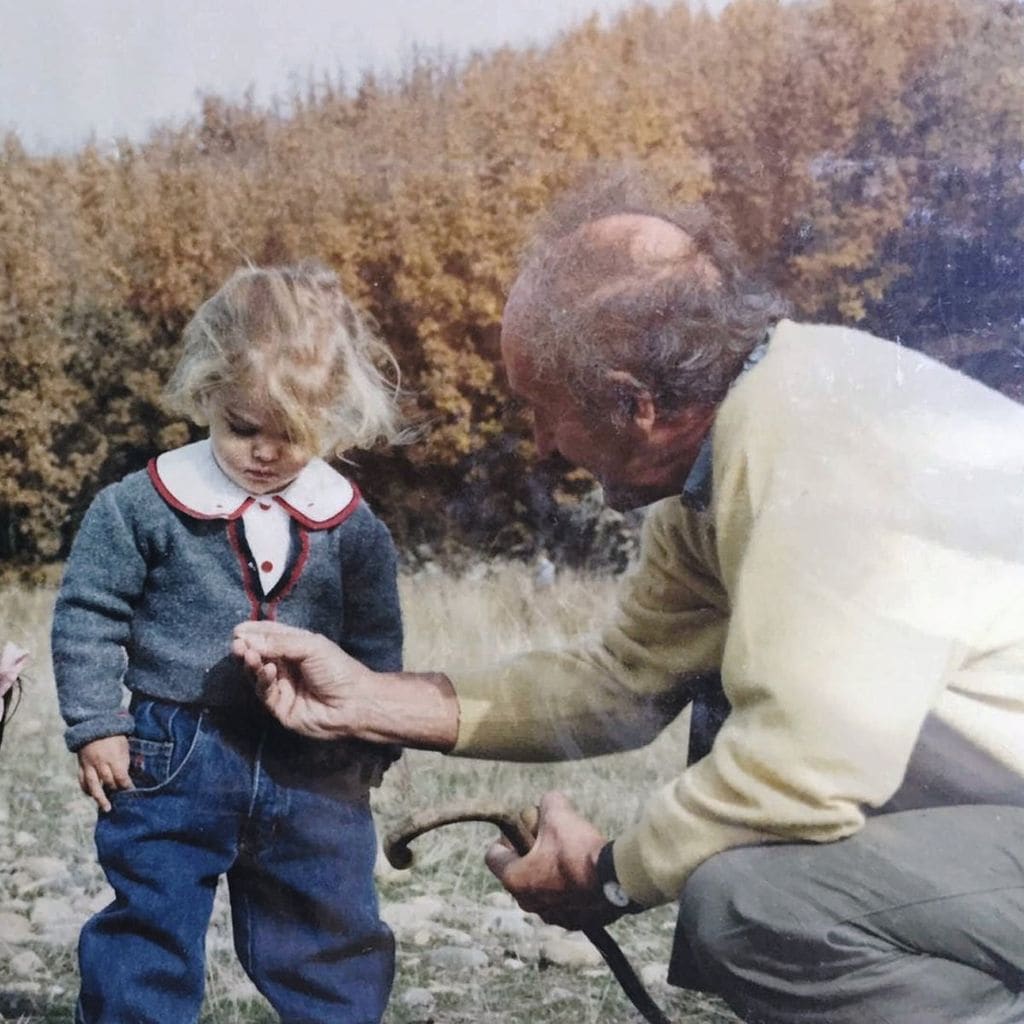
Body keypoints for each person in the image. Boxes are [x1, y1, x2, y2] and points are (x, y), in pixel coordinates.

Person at [232, 178, 1024, 1024]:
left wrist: (609, 875)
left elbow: (802, 770)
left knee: (749, 902)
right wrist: (367, 698)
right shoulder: (755, 427)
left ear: (634, 403)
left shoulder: (816, 450)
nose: (539, 444)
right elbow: (619, 683)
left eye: (542, 409)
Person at [52, 263, 404, 1024]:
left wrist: (374, 733)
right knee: (150, 918)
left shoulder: (350, 523)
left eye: (292, 434)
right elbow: (88, 610)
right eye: (244, 428)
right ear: (208, 394)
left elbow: (377, 636)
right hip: (173, 746)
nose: (265, 453)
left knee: (330, 924)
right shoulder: (141, 503)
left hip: (313, 760)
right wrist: (96, 725)